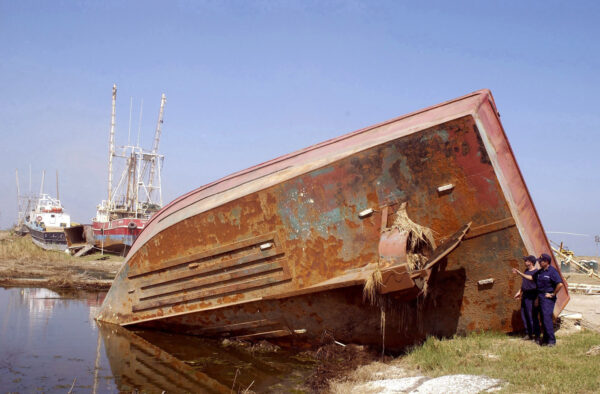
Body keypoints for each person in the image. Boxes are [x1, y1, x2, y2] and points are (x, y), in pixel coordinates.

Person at [534, 253, 564, 346]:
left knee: (547, 319)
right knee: (542, 319)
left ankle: (551, 341)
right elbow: (533, 278)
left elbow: (560, 284)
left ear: (546, 262)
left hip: (548, 298)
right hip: (540, 296)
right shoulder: (540, 272)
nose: (539, 262)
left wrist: (553, 294)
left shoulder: (552, 271)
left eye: (541, 261)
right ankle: (545, 339)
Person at [512, 255, 540, 341]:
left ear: (531, 262)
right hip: (525, 296)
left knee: (531, 316)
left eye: (526, 261)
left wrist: (519, 273)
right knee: (525, 315)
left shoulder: (536, 272)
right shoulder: (526, 271)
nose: (525, 262)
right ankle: (529, 334)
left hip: (532, 296)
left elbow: (530, 278)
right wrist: (519, 292)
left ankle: (536, 335)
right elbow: (524, 283)